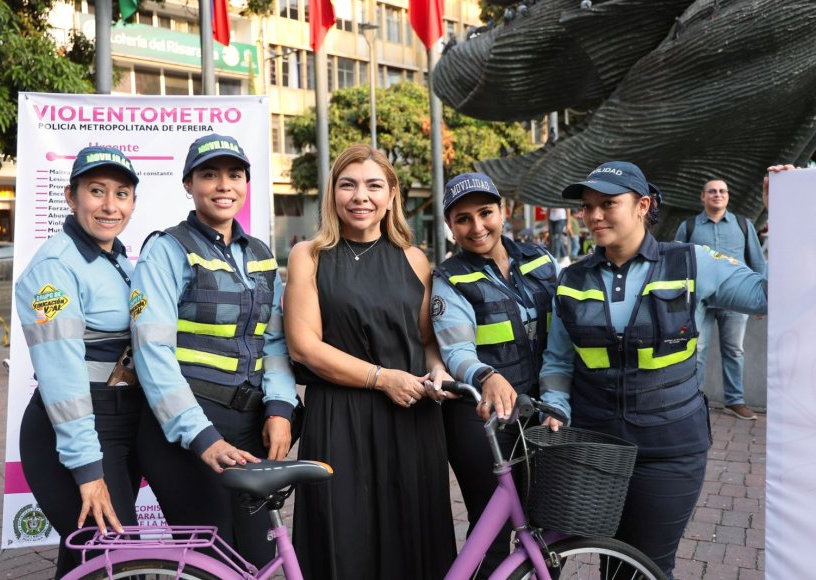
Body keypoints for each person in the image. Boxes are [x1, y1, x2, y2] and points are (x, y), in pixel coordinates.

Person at [538, 161, 768, 578]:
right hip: (596, 448)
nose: (594, 216)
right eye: (587, 207)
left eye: (608, 204)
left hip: (671, 449)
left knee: (647, 566)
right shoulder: (571, 279)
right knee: (612, 564)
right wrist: (555, 405)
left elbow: (769, 295)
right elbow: (558, 360)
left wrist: (786, 213)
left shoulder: (693, 262)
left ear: (642, 205)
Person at [285, 144, 456, 579]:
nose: (360, 196)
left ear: (391, 194)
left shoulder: (415, 260)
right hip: (340, 419)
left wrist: (436, 369)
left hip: (411, 420)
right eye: (348, 185)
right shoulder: (309, 255)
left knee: (411, 540)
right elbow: (305, 346)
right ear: (333, 193)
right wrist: (382, 379)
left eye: (373, 185)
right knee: (346, 543)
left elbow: (425, 340)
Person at [130, 133, 298, 565]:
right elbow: (152, 352)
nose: (224, 185)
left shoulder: (260, 254)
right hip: (188, 431)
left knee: (259, 558)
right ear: (188, 184)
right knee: (214, 561)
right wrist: (202, 438)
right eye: (209, 175)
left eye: (234, 175)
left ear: (245, 184)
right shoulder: (166, 249)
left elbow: (274, 340)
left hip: (251, 422)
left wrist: (280, 407)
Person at [16, 146, 143, 577]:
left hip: (118, 424)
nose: (110, 205)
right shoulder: (55, 265)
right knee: (119, 561)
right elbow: (63, 378)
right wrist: (88, 472)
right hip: (68, 436)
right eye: (96, 191)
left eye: (122, 194)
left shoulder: (119, 259)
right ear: (71, 198)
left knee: (90, 562)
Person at [431, 172, 557, 578]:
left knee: (550, 526)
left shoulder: (541, 259)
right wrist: (487, 375)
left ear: (503, 212)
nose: (477, 226)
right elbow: (456, 349)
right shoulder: (448, 279)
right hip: (481, 417)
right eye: (463, 219)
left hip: (542, 410)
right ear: (450, 226)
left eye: (485, 213)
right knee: (492, 526)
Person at [673, 178, 767, 420]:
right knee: (697, 349)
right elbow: (676, 261)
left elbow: (757, 261)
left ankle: (735, 401)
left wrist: (763, 297)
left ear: (728, 196)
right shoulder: (689, 226)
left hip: (736, 299)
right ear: (702, 196)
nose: (718, 194)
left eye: (722, 191)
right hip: (699, 300)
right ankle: (694, 399)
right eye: (712, 191)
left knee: (735, 351)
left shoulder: (743, 225)